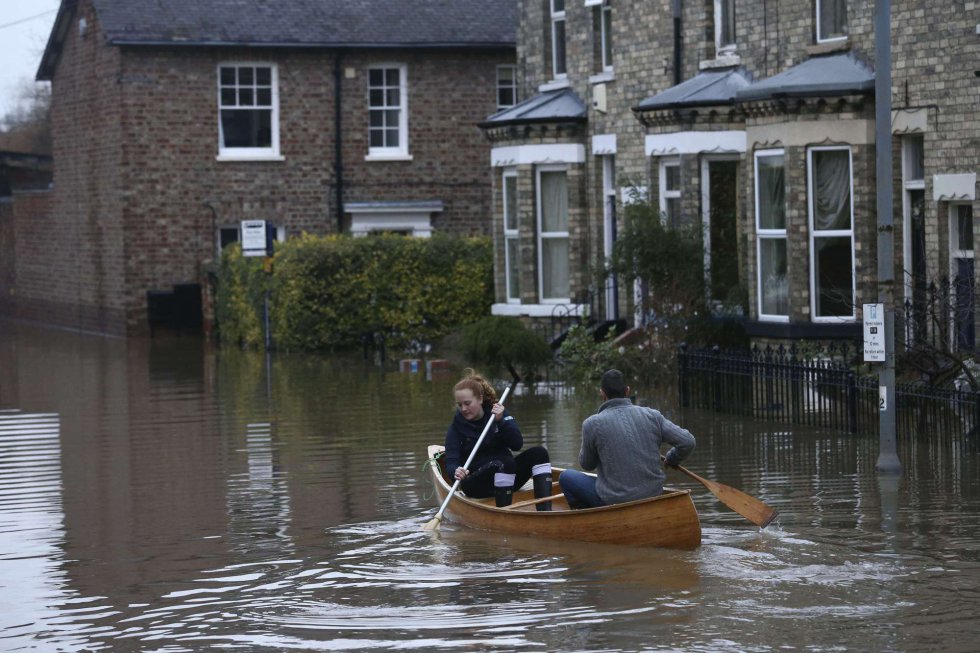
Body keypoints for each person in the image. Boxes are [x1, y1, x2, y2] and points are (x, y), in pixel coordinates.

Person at [559, 369, 695, 509]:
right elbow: (687, 442)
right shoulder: (652, 415)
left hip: (614, 500)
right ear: (628, 390)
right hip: (654, 495)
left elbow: (587, 464)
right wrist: (672, 458)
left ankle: (590, 520)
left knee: (566, 477)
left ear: (602, 393)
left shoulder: (592, 424)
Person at [444, 371, 553, 510]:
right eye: (460, 405)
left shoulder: (498, 413)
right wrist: (456, 471)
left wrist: (501, 421)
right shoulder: (455, 428)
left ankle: (545, 512)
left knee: (539, 453)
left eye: (467, 403)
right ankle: (504, 515)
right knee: (504, 463)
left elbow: (517, 444)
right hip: (476, 484)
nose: (463, 409)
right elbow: (451, 462)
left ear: (480, 399)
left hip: (508, 477)